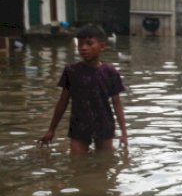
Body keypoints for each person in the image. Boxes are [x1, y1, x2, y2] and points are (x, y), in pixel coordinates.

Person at [39, 24, 128, 155]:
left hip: (104, 125)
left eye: (89, 44)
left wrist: (124, 133)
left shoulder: (110, 72)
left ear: (102, 46)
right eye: (80, 44)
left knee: (104, 166)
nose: (83, 48)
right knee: (77, 165)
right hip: (78, 125)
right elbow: (63, 101)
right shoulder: (71, 71)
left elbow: (116, 103)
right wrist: (51, 129)